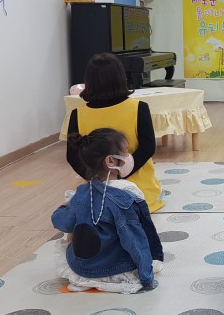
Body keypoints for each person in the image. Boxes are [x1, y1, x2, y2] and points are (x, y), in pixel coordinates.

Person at [52, 128, 163, 294]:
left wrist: (67, 205)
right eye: (125, 153)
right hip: (115, 268)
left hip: (82, 268)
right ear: (111, 161)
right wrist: (146, 277)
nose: (129, 157)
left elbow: (62, 222)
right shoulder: (127, 195)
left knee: (73, 231)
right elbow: (134, 239)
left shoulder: (82, 193)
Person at [66, 53, 164, 212]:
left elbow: (72, 155)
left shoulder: (77, 114)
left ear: (89, 81)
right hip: (139, 191)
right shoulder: (139, 107)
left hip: (98, 194)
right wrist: (122, 175)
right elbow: (148, 147)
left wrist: (97, 179)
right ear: (120, 77)